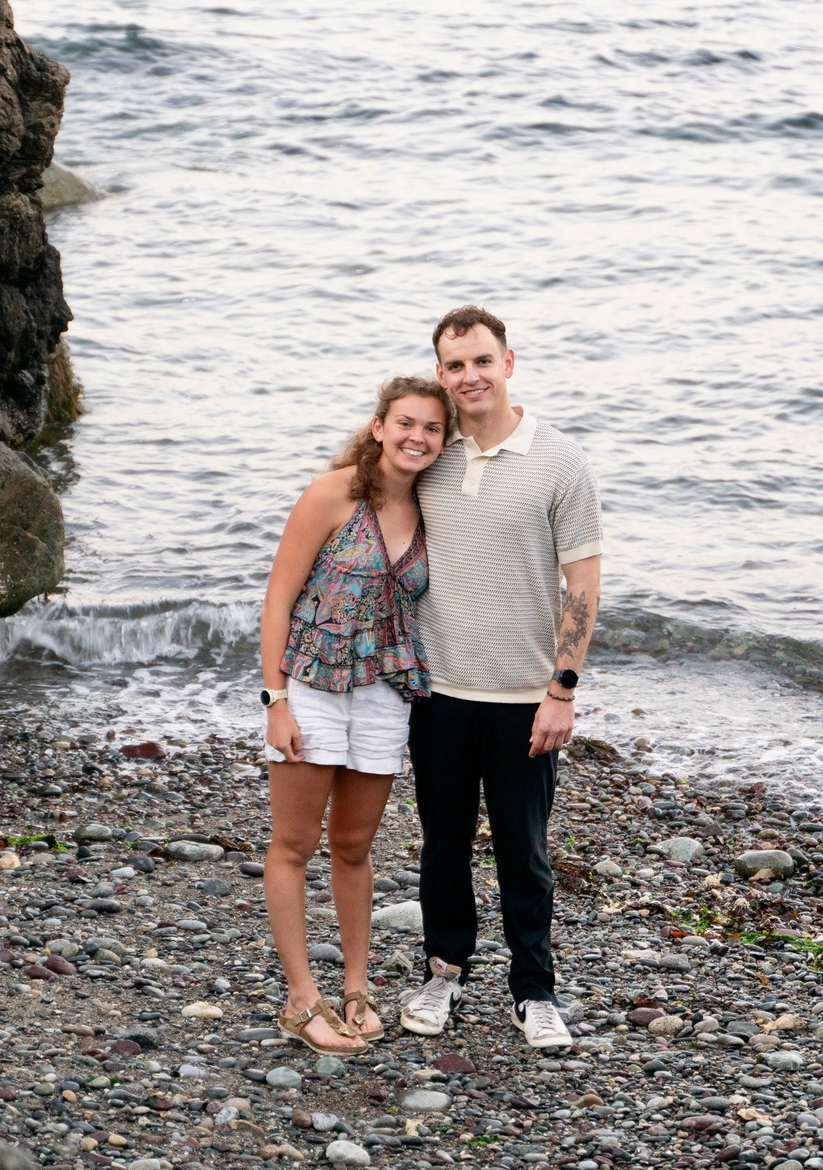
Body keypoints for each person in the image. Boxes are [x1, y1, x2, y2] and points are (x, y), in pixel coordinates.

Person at [396, 306, 602, 1051]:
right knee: (442, 844)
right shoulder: (428, 454)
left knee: (526, 851)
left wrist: (563, 689)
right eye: (454, 366)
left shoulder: (559, 461)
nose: (469, 376)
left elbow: (582, 579)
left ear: (508, 363)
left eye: (481, 361)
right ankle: (444, 972)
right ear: (442, 375)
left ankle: (534, 993)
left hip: (525, 700)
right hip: (438, 691)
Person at [256, 376, 453, 1053]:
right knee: (293, 845)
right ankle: (300, 998)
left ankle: (356, 987)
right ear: (378, 427)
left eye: (432, 429)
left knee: (354, 847)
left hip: (384, 692)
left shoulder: (431, 507)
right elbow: (278, 599)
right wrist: (275, 700)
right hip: (311, 685)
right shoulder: (334, 493)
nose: (416, 437)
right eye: (405, 424)